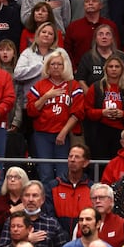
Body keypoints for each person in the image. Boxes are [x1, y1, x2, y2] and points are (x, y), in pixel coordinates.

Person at [26, 49, 83, 182]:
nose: (56, 67)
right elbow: (31, 111)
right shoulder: (39, 85)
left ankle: (61, 198)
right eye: (52, 64)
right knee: (45, 171)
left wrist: (63, 132)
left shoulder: (73, 85)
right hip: (42, 134)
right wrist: (46, 96)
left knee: (63, 171)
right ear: (47, 67)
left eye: (59, 64)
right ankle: (46, 200)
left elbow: (78, 113)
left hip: (64, 135)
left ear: (65, 66)